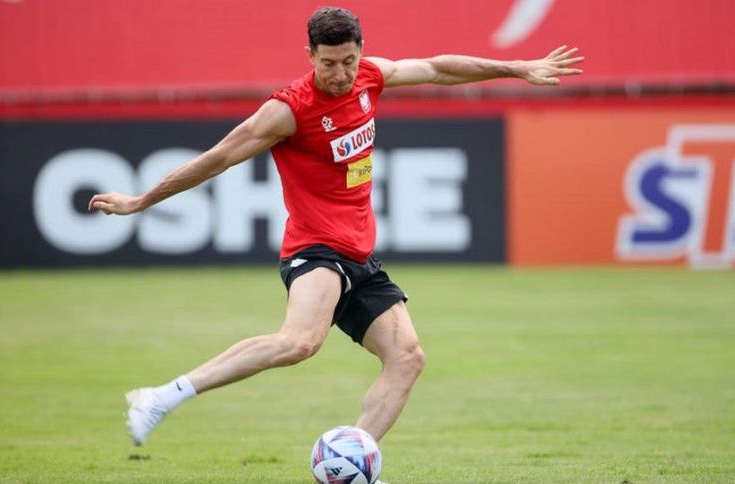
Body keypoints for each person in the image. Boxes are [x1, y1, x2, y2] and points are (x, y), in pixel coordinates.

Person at [89, 6, 583, 449]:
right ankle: (160, 397)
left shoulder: (369, 76)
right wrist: (141, 201)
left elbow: (438, 68)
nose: (341, 73)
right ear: (310, 55)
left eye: (348, 60)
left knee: (407, 358)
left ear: (360, 50)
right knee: (299, 342)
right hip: (315, 250)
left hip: (359, 255)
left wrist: (517, 68)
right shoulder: (288, 110)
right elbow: (218, 158)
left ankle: (351, 461)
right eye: (328, 63)